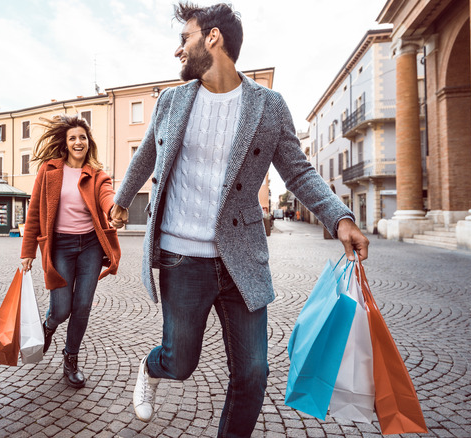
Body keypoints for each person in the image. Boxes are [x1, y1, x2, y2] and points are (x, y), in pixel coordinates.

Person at [109, 3, 370, 437]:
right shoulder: (171, 102)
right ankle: (152, 368)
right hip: (181, 257)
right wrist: (121, 200)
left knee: (253, 373)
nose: (178, 51)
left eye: (184, 38)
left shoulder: (268, 106)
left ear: (213, 38)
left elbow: (298, 170)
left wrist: (339, 218)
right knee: (180, 361)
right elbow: (147, 154)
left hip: (241, 258)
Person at [20, 114, 121, 388]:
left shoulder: (97, 174)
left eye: (83, 137)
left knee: (83, 306)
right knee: (62, 308)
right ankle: (49, 326)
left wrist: (114, 209)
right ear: (65, 143)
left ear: (89, 143)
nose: (78, 142)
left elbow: (106, 196)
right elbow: (35, 214)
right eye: (73, 137)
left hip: (89, 246)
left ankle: (71, 358)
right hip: (61, 246)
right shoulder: (49, 170)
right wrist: (27, 251)